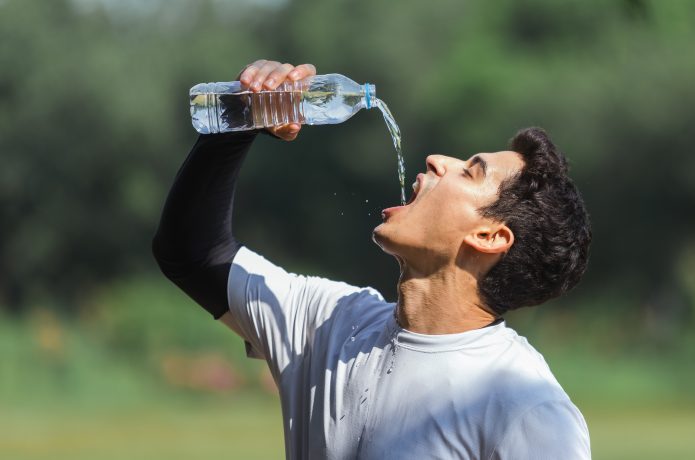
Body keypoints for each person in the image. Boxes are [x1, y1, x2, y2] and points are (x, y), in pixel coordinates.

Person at [152, 59, 592, 459]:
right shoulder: (331, 322)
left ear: (490, 236)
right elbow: (192, 253)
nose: (438, 160)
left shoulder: (525, 407)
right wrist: (243, 119)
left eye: (470, 171)